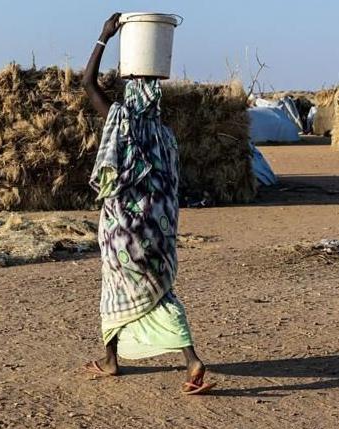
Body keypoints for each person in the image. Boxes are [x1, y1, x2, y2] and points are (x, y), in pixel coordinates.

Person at [81, 13, 215, 395]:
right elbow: (172, 187)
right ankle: (190, 359)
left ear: (130, 94)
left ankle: (110, 360)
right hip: (158, 233)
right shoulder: (164, 135)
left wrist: (104, 36)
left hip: (122, 231)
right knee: (159, 292)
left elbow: (87, 82)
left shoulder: (121, 119)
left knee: (115, 288)